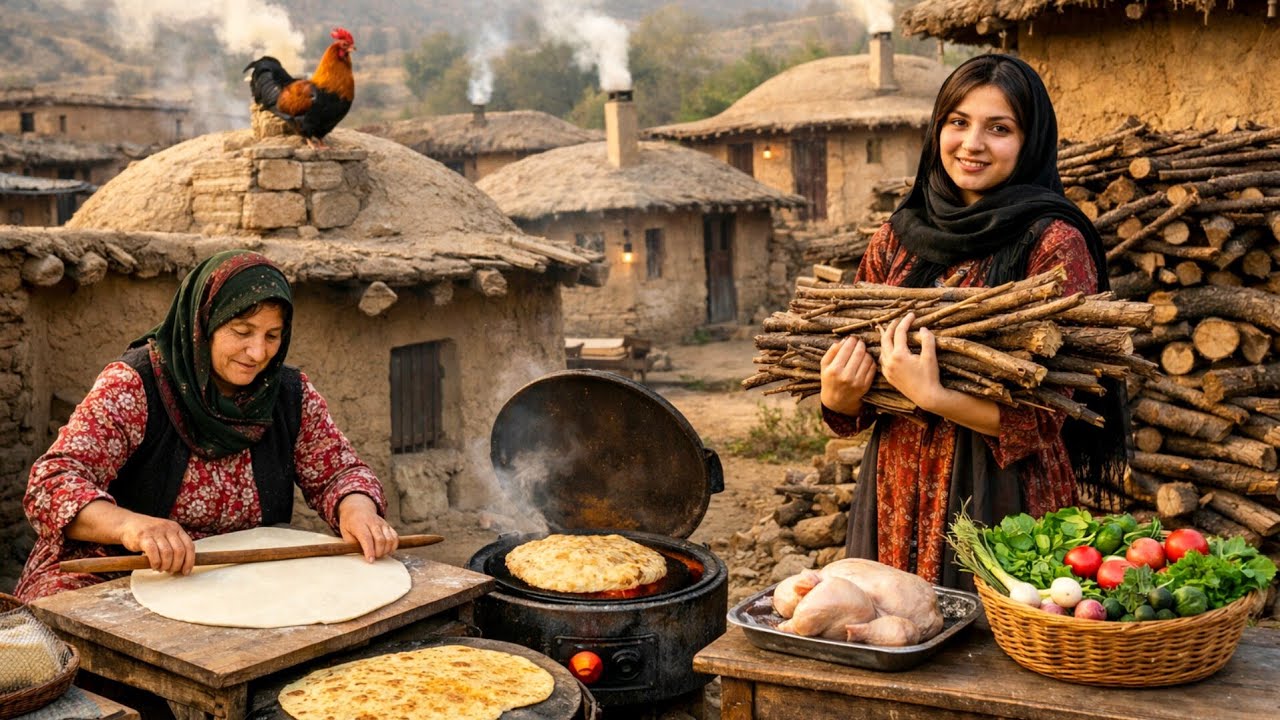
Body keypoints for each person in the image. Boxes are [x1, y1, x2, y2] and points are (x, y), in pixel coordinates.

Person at [819, 54, 1127, 589]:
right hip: (894, 486)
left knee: (996, 654)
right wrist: (838, 398)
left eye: (999, 128)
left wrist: (933, 395)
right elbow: (857, 398)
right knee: (892, 634)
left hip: (1001, 492)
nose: (972, 143)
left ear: (1030, 142)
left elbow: (1052, 415)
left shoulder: (1053, 243)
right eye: (957, 122)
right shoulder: (896, 238)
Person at [16, 250, 398, 601]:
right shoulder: (137, 385)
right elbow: (52, 484)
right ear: (204, 322)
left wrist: (357, 511)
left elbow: (340, 473)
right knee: (68, 632)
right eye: (242, 331)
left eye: (272, 336)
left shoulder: (288, 395)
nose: (258, 352)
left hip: (233, 572)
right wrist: (133, 527)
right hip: (116, 565)